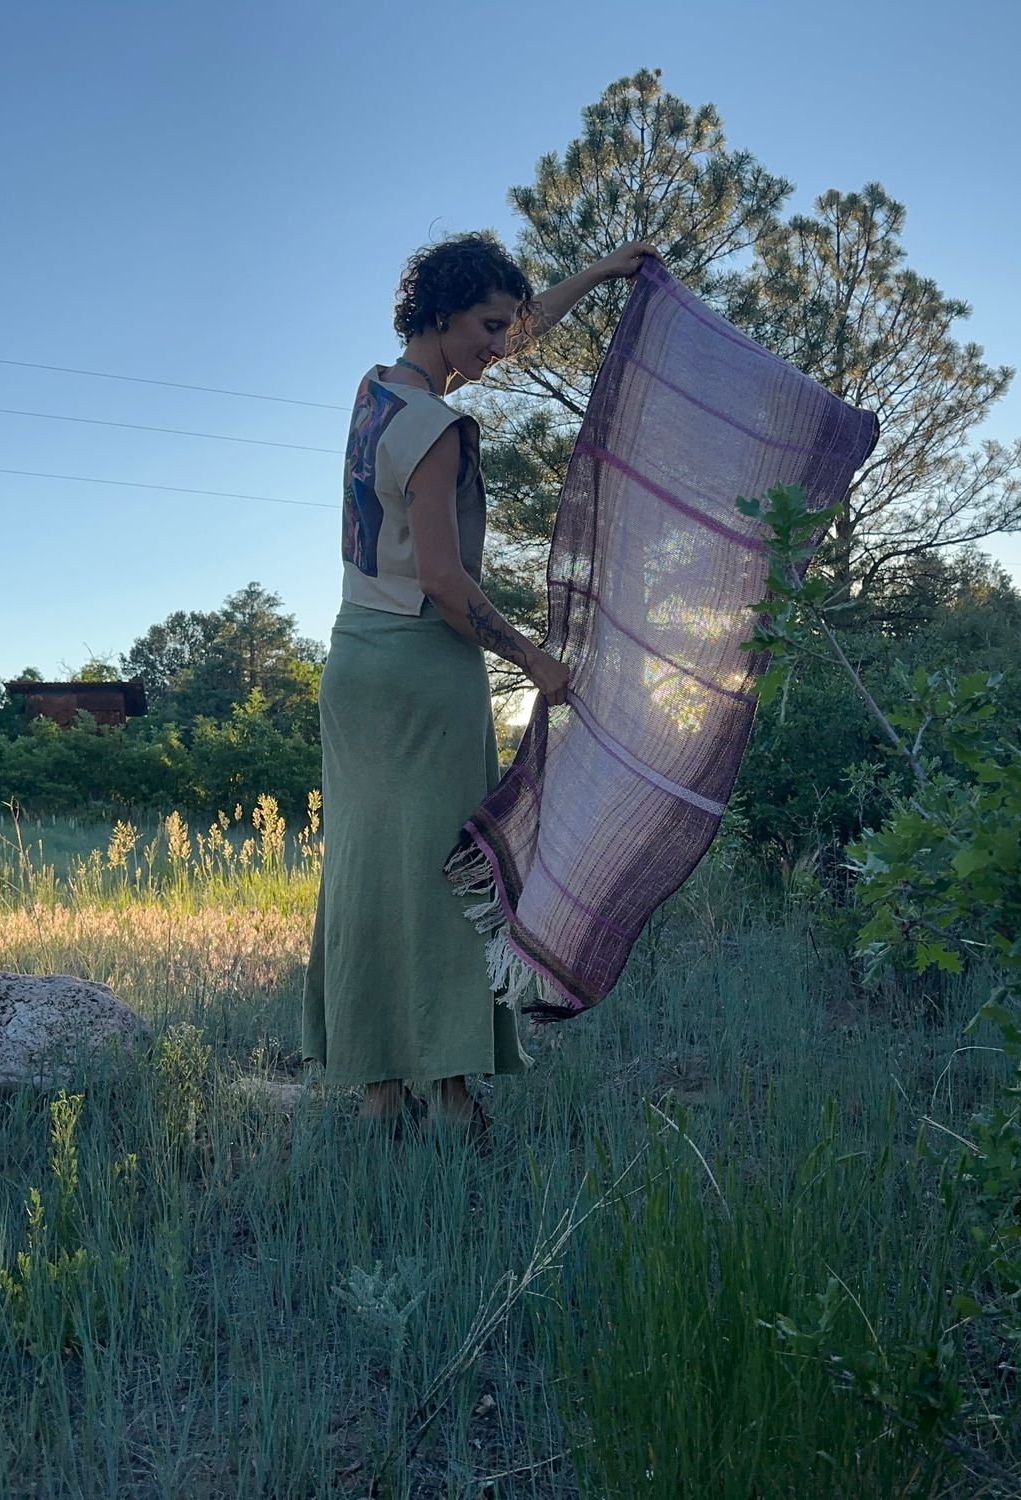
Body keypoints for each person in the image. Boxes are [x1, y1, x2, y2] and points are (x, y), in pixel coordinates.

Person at [302, 230, 659, 1136]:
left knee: (368, 870)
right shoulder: (440, 430)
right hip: (424, 666)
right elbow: (446, 582)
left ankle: (379, 1088)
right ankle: (454, 1093)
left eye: (508, 329)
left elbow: (525, 328)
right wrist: (534, 660)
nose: (503, 347)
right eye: (489, 328)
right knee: (452, 870)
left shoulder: (378, 394)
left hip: (356, 660)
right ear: (442, 313)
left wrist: (602, 273)